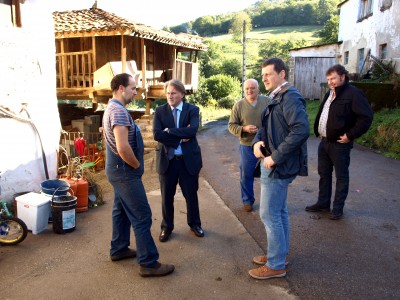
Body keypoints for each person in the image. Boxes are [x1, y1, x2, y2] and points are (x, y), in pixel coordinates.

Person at [103, 73, 174, 277]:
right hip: (124, 171)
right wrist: (135, 165)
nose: (136, 91)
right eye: (133, 88)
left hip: (116, 170)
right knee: (142, 215)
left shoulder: (113, 108)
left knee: (121, 210)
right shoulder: (117, 112)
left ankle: (119, 248)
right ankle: (148, 263)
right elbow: (123, 147)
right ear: (121, 88)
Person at [249, 58, 309, 280]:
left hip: (278, 164)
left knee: (269, 212)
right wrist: (256, 141)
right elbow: (265, 127)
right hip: (272, 162)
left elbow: (301, 130)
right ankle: (279, 255)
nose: (264, 78)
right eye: (262, 74)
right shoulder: (276, 96)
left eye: (268, 74)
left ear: (282, 74)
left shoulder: (290, 97)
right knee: (279, 211)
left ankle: (275, 265)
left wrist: (275, 156)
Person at [305, 64, 373, 220]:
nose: (330, 82)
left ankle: (337, 209)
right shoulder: (330, 93)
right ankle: (323, 204)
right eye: (328, 79)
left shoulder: (354, 94)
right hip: (324, 142)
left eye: (333, 78)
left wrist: (350, 135)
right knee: (324, 174)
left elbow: (366, 117)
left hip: (339, 144)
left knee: (341, 177)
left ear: (343, 77)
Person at [153, 79, 204, 242]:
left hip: (188, 161)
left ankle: (195, 224)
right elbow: (157, 134)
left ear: (182, 94)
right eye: (168, 93)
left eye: (173, 93)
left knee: (191, 195)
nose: (170, 96)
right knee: (166, 197)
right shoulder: (160, 111)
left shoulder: (193, 110)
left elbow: (193, 130)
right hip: (168, 161)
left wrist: (170, 132)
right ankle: (166, 227)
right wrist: (180, 138)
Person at [228, 79, 269, 212]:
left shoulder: (268, 102)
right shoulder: (238, 105)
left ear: (258, 89)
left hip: (266, 144)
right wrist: (244, 129)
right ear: (244, 90)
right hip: (247, 145)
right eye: (247, 89)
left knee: (268, 174)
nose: (250, 91)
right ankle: (247, 200)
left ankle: (268, 202)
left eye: (253, 88)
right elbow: (231, 126)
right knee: (246, 174)